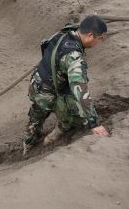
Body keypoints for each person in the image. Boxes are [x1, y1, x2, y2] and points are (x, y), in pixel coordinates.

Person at [23, 15, 110, 156]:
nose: (99, 42)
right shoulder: (73, 57)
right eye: (99, 39)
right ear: (89, 35)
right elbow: (81, 92)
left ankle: (27, 146)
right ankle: (56, 134)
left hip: (36, 84)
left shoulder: (66, 32)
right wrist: (94, 123)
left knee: (35, 118)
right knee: (75, 115)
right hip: (47, 94)